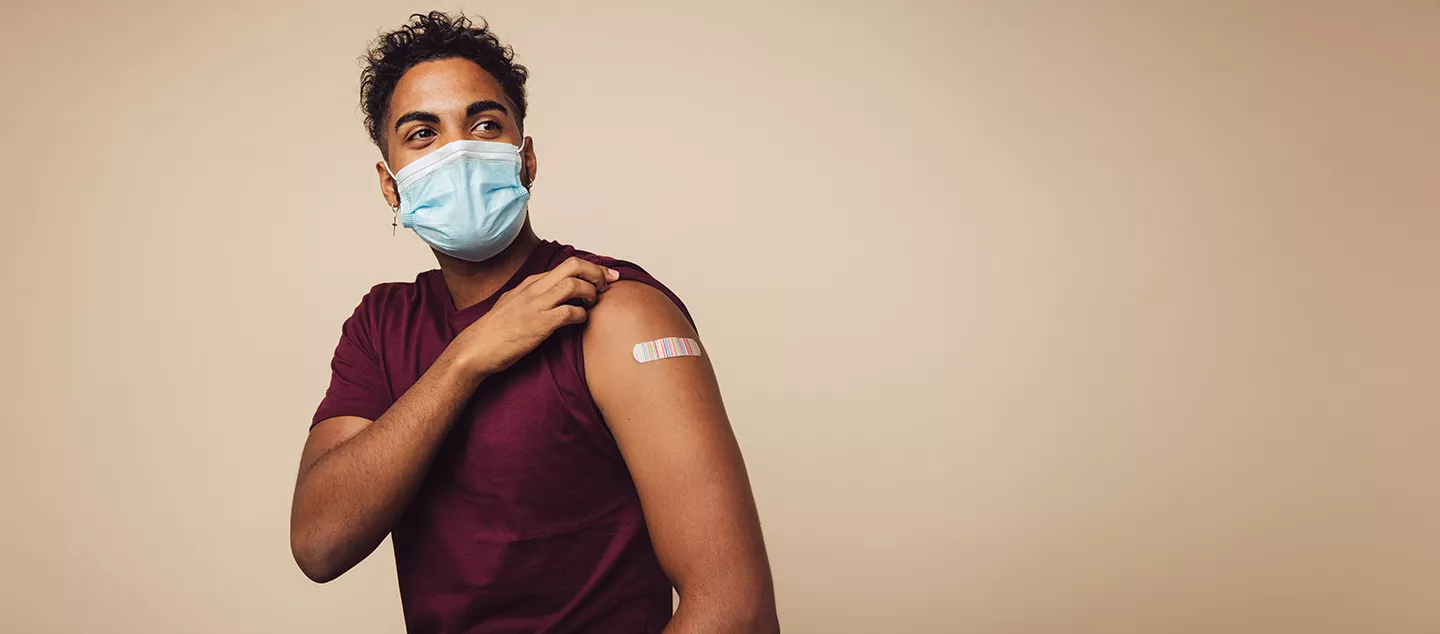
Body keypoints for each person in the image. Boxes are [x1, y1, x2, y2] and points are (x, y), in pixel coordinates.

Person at [288, 11, 778, 634]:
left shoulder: (616, 310)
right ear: (391, 187)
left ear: (526, 159)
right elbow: (320, 543)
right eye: (422, 134)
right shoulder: (380, 324)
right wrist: (467, 358)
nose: (458, 151)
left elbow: (735, 610)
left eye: (484, 124)